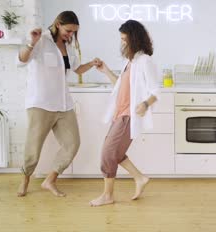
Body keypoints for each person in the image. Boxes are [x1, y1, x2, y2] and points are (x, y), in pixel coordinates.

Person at [16, 11, 102, 197]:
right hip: (41, 103)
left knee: (72, 144)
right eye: (68, 30)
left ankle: (50, 180)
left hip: (64, 104)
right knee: (34, 147)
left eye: (73, 32)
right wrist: (31, 43)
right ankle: (25, 179)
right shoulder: (41, 40)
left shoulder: (69, 46)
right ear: (58, 24)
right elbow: (21, 60)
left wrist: (92, 64)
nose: (70, 34)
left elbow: (76, 68)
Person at [90, 19, 159, 207]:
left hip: (129, 116)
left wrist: (145, 104)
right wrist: (105, 70)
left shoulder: (144, 61)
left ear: (134, 39)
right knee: (115, 153)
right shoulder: (131, 61)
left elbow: (156, 91)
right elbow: (120, 86)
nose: (123, 44)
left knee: (108, 153)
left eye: (125, 40)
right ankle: (140, 178)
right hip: (119, 114)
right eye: (121, 40)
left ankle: (107, 195)